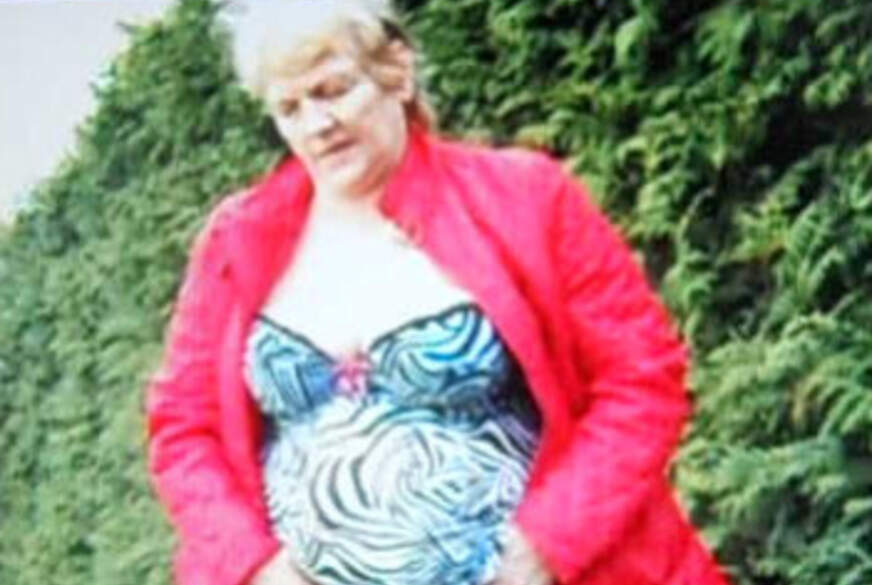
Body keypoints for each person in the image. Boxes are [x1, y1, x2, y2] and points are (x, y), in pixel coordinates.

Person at [145, 1, 731, 584]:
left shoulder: (527, 197)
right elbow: (183, 426)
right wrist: (252, 565)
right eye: (290, 108)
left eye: (333, 90)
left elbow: (641, 378)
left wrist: (550, 545)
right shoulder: (236, 238)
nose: (316, 125)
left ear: (397, 71)